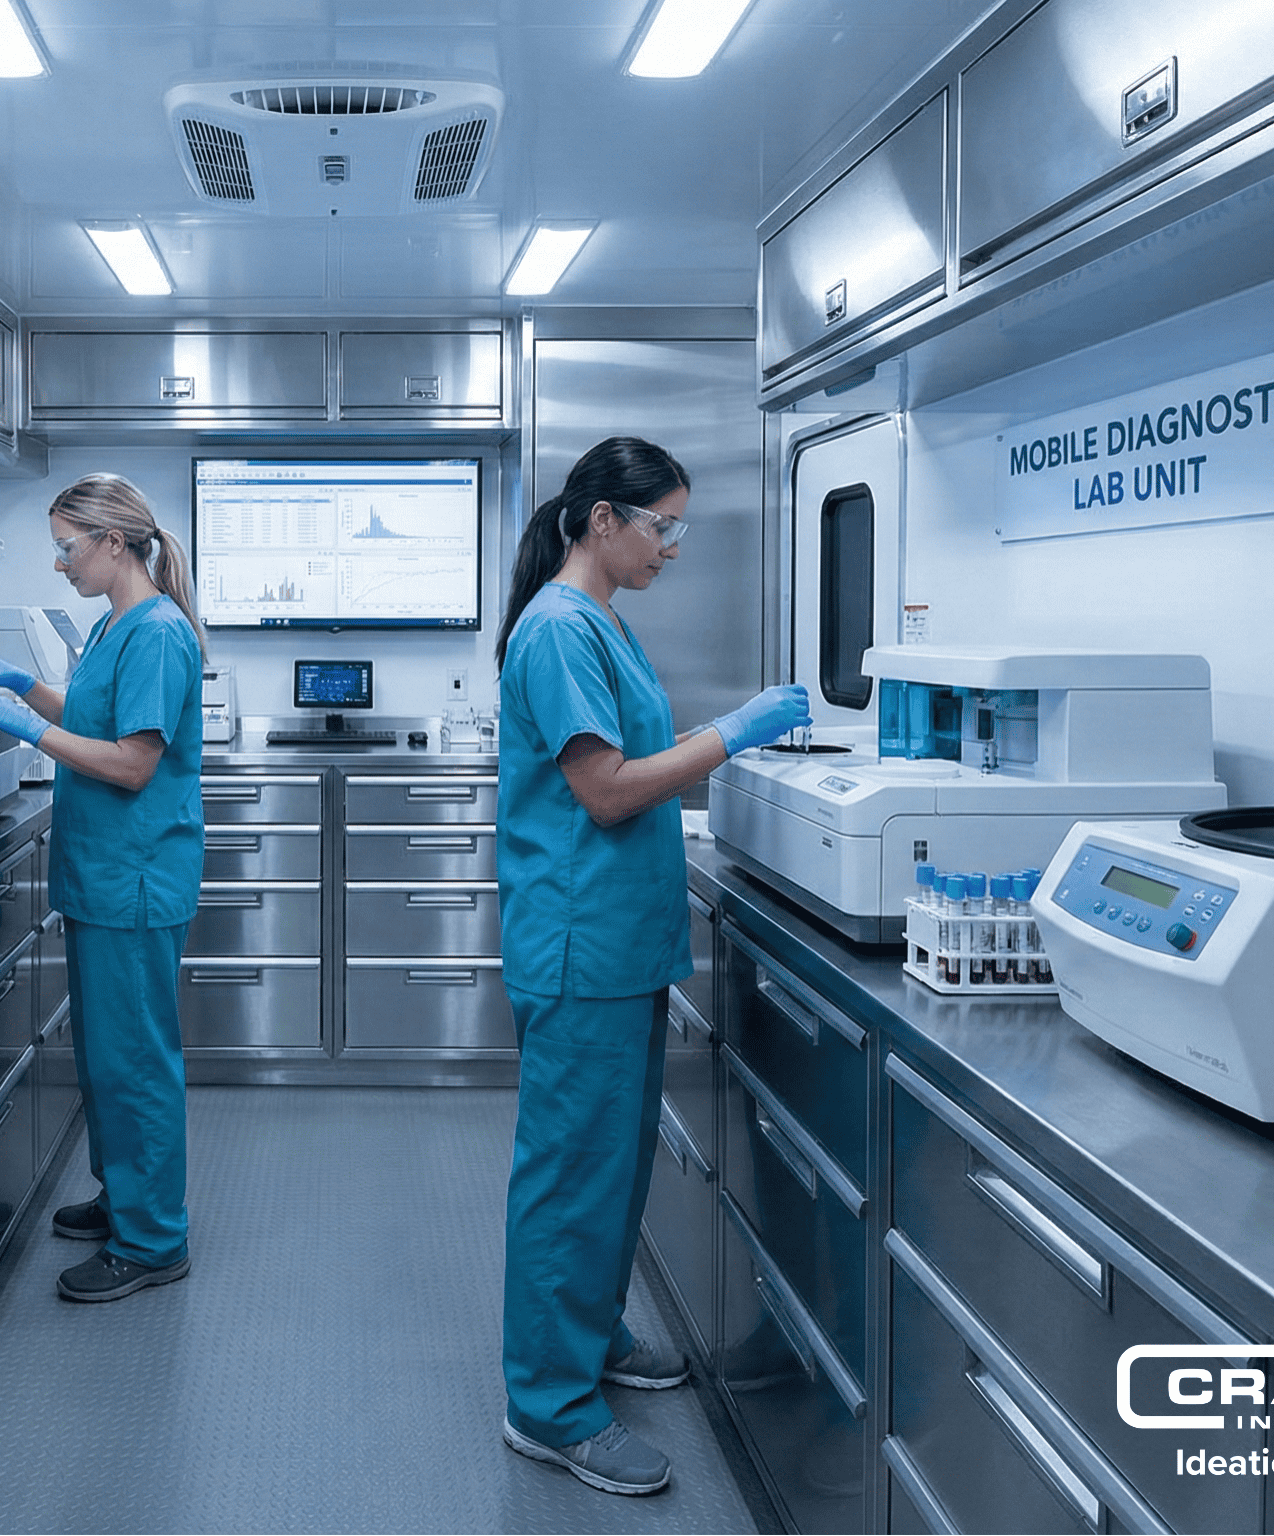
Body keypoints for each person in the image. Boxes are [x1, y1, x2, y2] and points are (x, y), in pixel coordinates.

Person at [493, 436, 811, 1495]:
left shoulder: (602, 621)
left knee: (613, 1166)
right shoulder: (557, 629)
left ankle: (587, 1336)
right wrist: (734, 732)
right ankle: (546, 1404)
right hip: (578, 944)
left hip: (617, 943)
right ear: (602, 520)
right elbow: (608, 791)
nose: (671, 547)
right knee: (569, 1176)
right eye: (661, 525)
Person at [0, 473, 205, 1303]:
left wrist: (31, 730)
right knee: (107, 1057)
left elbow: (132, 763)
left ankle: (153, 1239)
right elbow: (96, 719)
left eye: (68, 548)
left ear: (113, 541)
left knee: (135, 1061)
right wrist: (29, 690)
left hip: (135, 877)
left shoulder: (158, 633)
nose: (60, 564)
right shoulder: (113, 625)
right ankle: (124, 1196)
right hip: (103, 875)